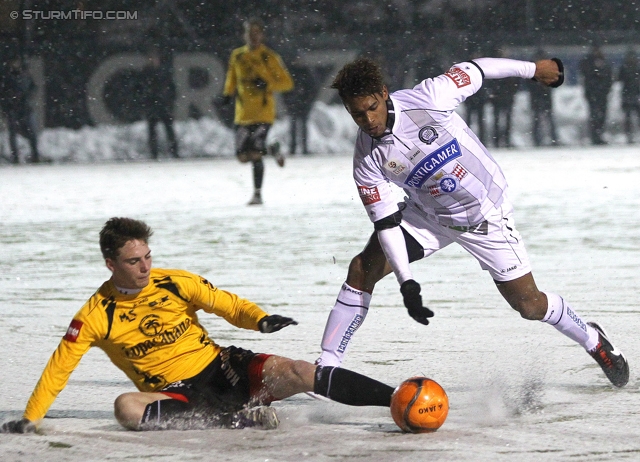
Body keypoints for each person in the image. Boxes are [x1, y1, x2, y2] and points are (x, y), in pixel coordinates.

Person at [315, 56, 629, 391]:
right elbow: (387, 225)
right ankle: (327, 367)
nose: (367, 120)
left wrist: (533, 70)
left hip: (485, 215)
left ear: (384, 92)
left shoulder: (429, 98)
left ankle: (593, 339)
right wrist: (407, 282)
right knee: (363, 268)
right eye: (356, 114)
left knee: (530, 305)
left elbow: (477, 70)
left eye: (371, 108)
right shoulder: (366, 158)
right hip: (429, 217)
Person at [0, 217, 396, 433]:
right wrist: (32, 416)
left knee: (301, 371)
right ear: (111, 265)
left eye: (148, 257)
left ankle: (396, 399)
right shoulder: (95, 315)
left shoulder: (174, 281)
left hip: (223, 368)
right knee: (126, 407)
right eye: (134, 261)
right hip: (177, 396)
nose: (145, 267)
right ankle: (236, 420)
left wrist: (258, 319)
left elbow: (224, 304)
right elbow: (59, 367)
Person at [223, 17, 294, 205]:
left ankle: (257, 194)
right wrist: (227, 94)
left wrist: (268, 83)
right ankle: (271, 149)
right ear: (244, 35)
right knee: (242, 156)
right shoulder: (237, 55)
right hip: (243, 114)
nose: (253, 36)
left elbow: (287, 82)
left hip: (263, 114)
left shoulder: (269, 57)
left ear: (262, 35)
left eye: (256, 33)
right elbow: (232, 77)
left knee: (255, 153)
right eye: (249, 33)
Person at [141, 48, 179, 159]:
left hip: (163, 105)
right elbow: (141, 89)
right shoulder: (145, 73)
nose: (153, 61)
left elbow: (172, 88)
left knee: (169, 130)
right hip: (152, 106)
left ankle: (174, 152)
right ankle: (154, 154)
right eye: (150, 59)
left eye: (154, 58)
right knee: (153, 131)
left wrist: (170, 101)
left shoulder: (164, 72)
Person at [0, 57, 40, 164]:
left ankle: (35, 155)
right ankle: (16, 156)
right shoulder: (8, 78)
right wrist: (9, 102)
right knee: (13, 134)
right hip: (13, 108)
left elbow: (33, 88)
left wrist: (25, 97)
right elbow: (3, 94)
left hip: (25, 108)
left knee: (31, 133)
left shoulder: (25, 76)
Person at [579, 45, 612, 145]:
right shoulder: (588, 62)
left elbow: (608, 76)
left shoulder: (604, 61)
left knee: (601, 116)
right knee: (594, 115)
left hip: (602, 93)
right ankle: (595, 136)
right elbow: (587, 75)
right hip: (593, 93)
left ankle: (599, 135)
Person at [528, 50, 558, 146]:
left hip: (540, 96)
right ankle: (545, 138)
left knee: (541, 119)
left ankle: (542, 139)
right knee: (542, 118)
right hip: (540, 96)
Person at [617, 49, 640, 144]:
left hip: (634, 94)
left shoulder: (631, 67)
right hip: (628, 94)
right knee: (628, 117)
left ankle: (631, 135)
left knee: (632, 116)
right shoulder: (625, 68)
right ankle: (629, 135)